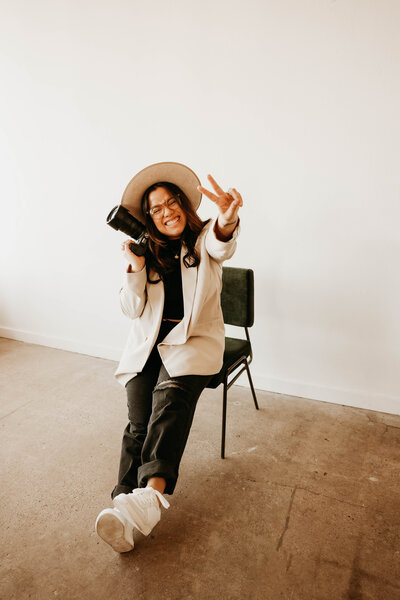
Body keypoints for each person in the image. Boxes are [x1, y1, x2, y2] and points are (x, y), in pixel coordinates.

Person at [95, 161, 242, 553]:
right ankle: (123, 509)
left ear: (183, 204)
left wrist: (227, 218)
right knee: (137, 426)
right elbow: (131, 309)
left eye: (171, 202)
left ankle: (149, 498)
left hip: (191, 343)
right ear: (149, 219)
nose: (166, 212)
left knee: (170, 398)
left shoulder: (201, 240)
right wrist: (135, 268)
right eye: (156, 209)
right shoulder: (147, 255)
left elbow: (220, 241)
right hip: (148, 347)